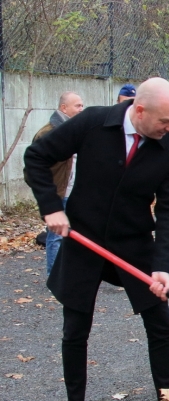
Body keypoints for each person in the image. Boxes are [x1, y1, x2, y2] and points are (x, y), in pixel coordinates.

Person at [24, 78, 169, 401]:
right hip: (84, 239)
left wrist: (162, 266)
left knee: (159, 322)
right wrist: (51, 207)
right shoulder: (94, 122)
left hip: (134, 242)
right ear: (139, 110)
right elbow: (36, 157)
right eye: (165, 121)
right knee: (75, 327)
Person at [29, 91, 85, 275]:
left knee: (74, 237)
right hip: (58, 195)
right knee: (56, 237)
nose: (81, 109)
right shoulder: (49, 132)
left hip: (73, 193)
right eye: (77, 105)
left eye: (82, 105)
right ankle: (54, 277)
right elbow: (33, 169)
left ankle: (67, 276)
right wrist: (48, 195)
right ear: (64, 108)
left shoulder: (75, 130)